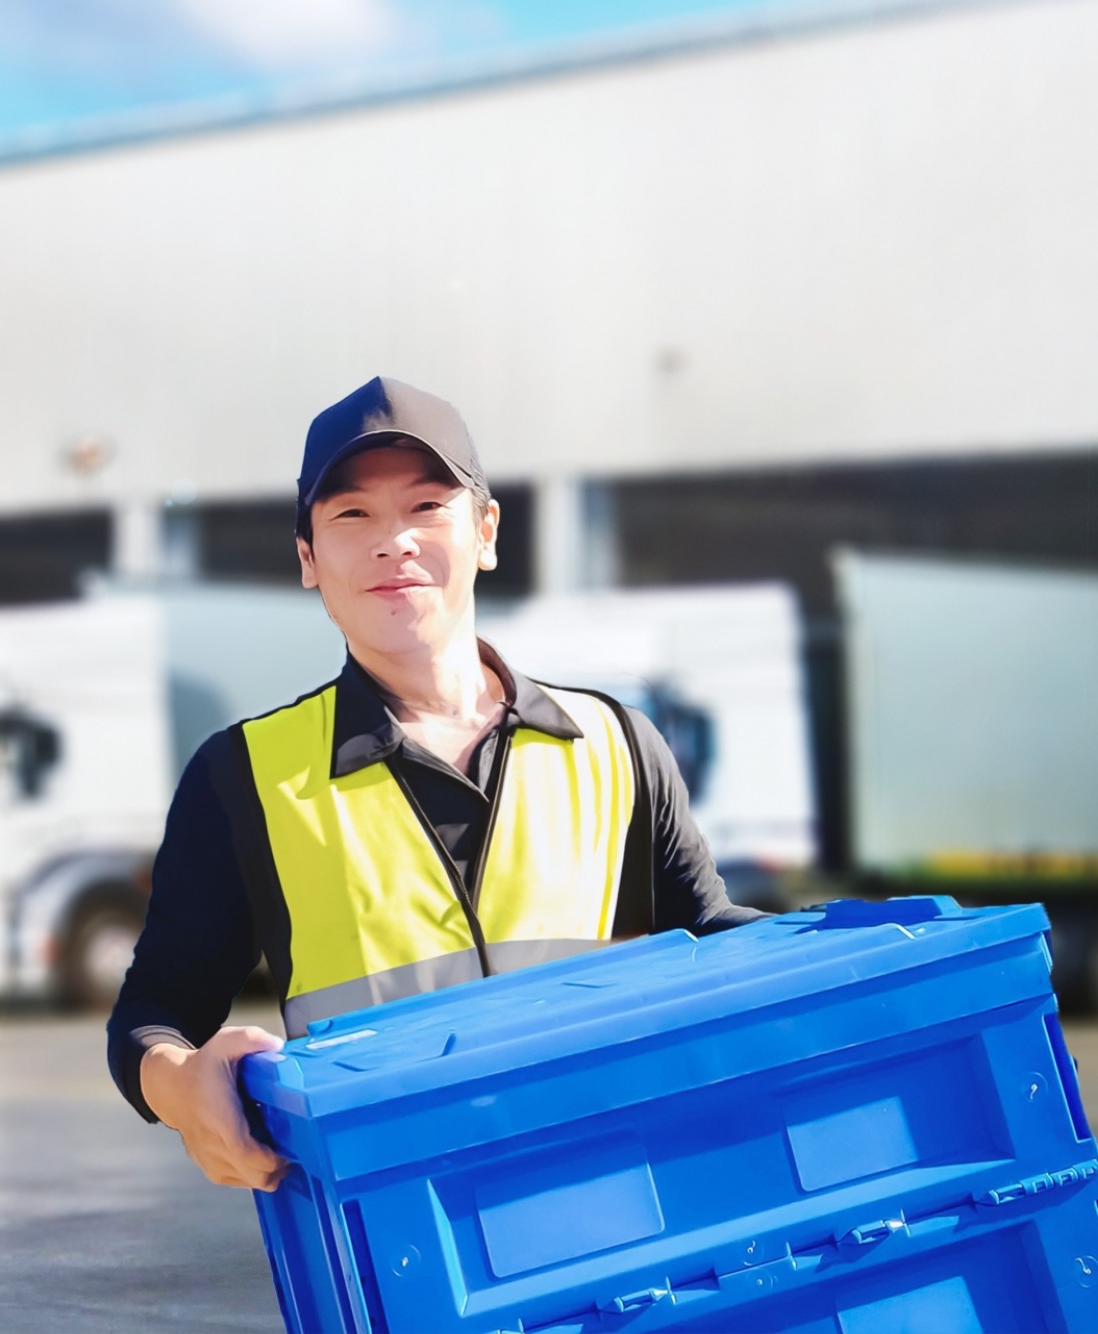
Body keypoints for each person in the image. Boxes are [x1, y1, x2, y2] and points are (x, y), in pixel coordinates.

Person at [106, 376, 766, 1192]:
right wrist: (182, 1086)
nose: (395, 543)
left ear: (486, 531)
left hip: (618, 1200)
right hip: (399, 1220)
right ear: (309, 560)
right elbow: (151, 1017)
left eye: (427, 508)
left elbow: (716, 939)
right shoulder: (245, 777)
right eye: (353, 516)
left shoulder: (618, 744)